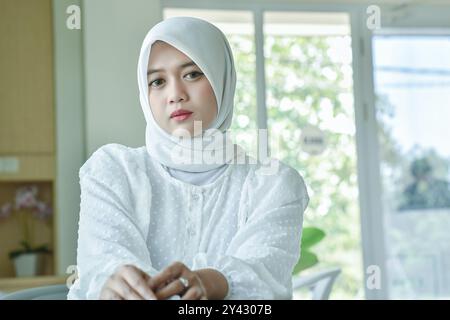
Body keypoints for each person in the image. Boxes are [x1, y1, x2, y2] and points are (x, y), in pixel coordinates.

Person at [67, 16, 309, 300]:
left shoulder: (273, 184)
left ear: (222, 79)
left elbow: (264, 277)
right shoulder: (113, 171)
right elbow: (103, 266)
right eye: (157, 81)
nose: (175, 95)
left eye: (192, 74)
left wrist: (216, 282)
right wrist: (115, 283)